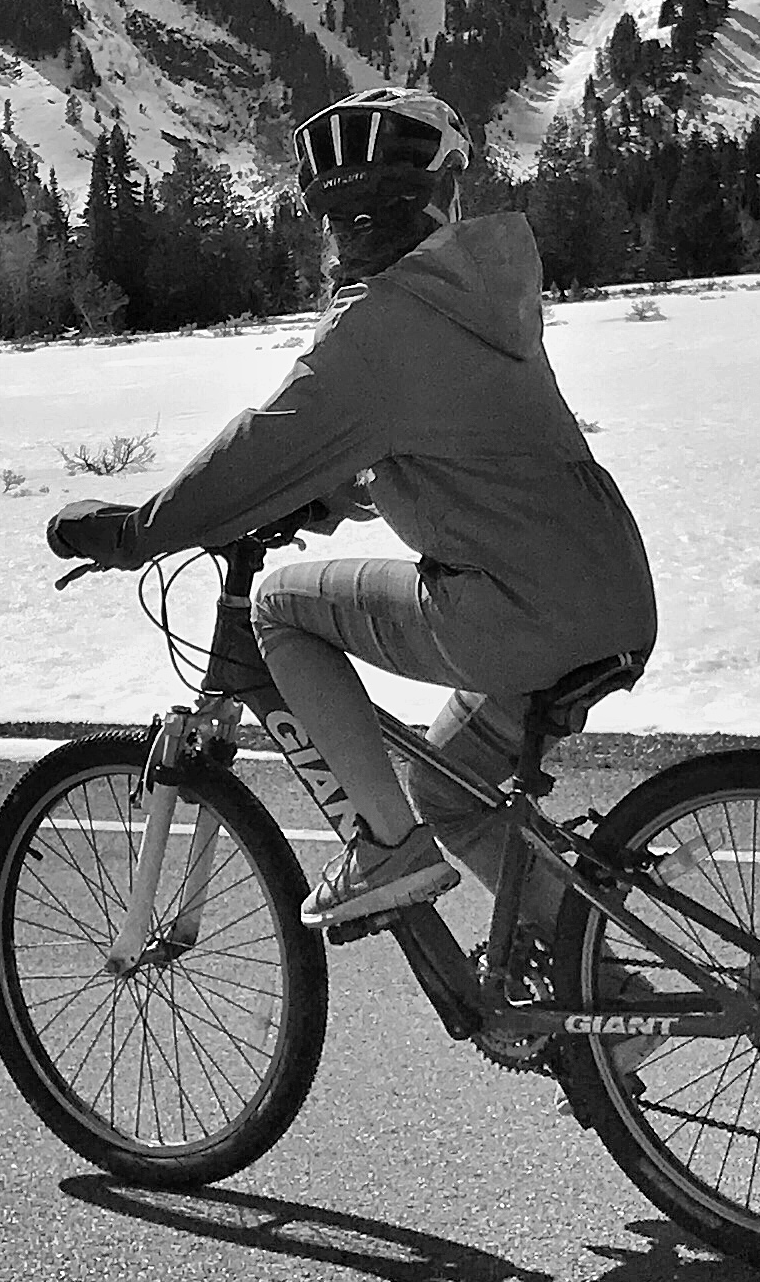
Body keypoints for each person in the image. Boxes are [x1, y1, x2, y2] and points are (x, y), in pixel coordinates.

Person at [47, 87, 659, 978]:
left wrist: (139, 531)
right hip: (612, 595)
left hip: (518, 614)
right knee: (450, 790)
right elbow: (450, 440)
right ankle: (600, 993)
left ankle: (385, 851)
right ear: (444, 201)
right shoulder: (478, 298)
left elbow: (261, 448)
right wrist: (341, 489)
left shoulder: (378, 324)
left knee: (283, 608)